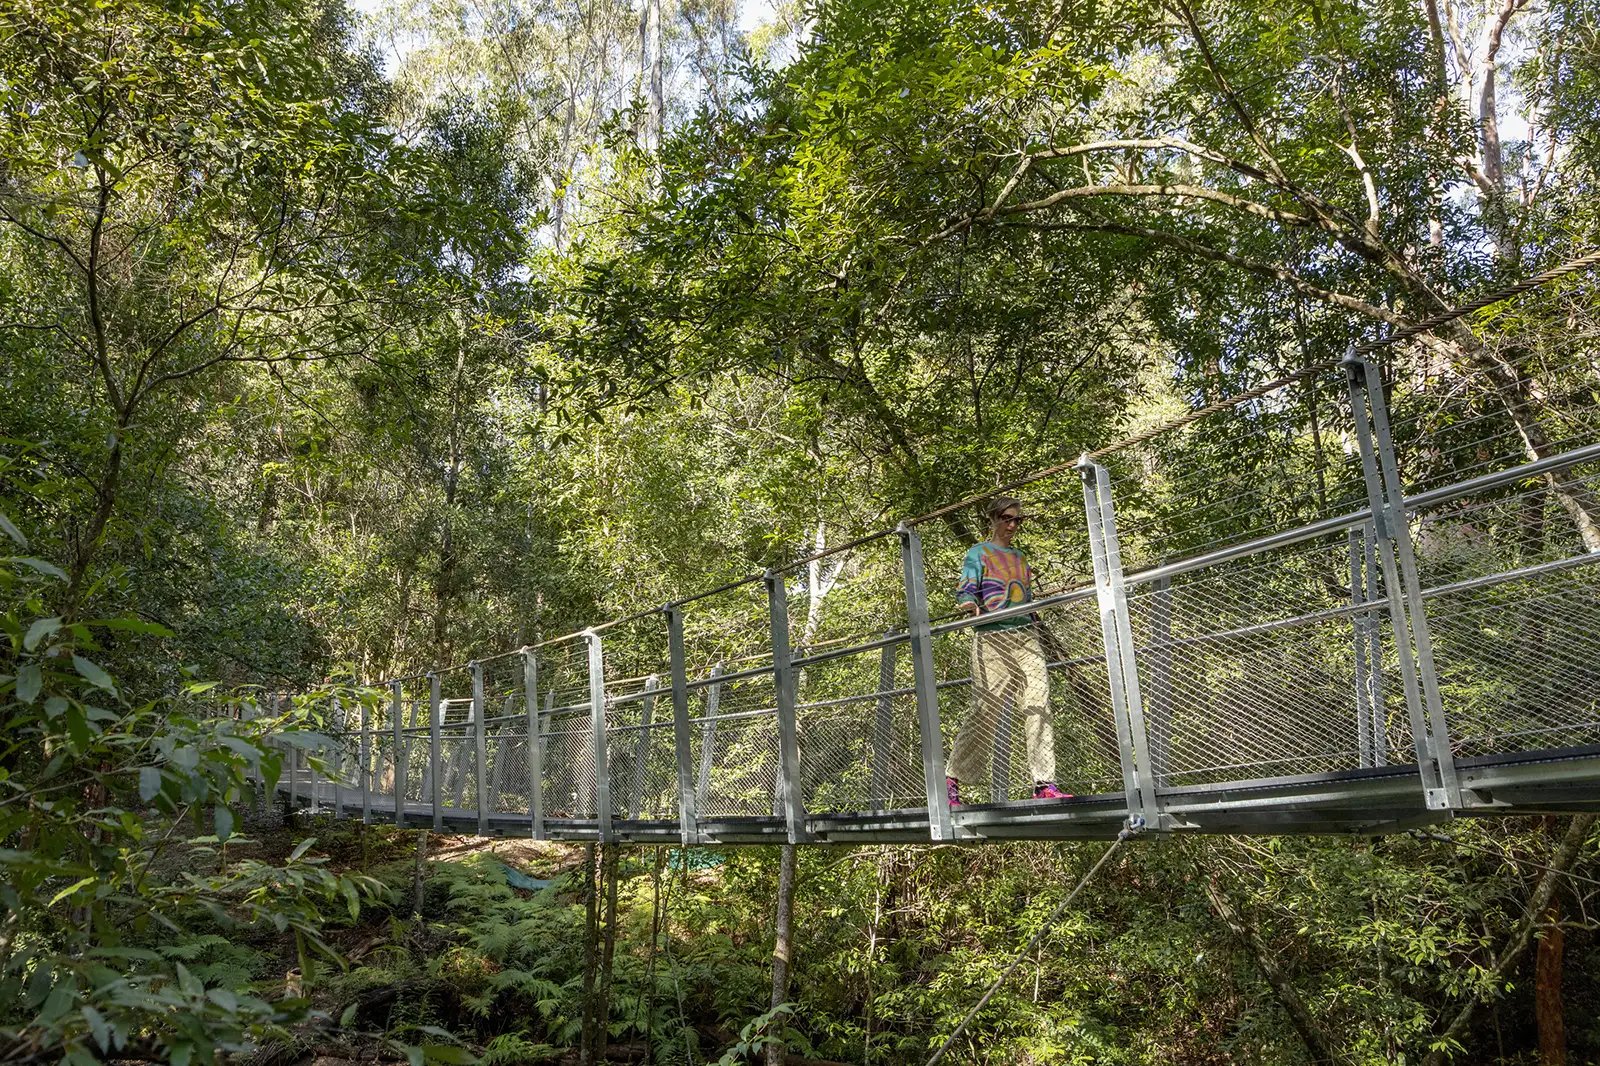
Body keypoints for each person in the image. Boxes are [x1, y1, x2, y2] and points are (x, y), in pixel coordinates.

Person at [946, 497, 1070, 805]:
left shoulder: (1019, 557)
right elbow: (967, 587)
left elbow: (1023, 595)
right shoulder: (979, 552)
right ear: (993, 519)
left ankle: (1044, 782)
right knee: (986, 710)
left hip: (1025, 636)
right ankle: (952, 779)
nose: (1012, 524)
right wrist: (968, 603)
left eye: (1018, 520)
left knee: (1038, 703)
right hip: (992, 637)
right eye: (1007, 518)